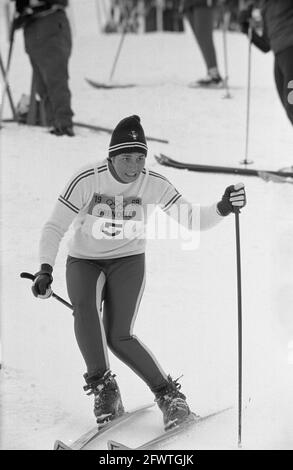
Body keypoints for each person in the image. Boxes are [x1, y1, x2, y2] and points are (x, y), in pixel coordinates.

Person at [31, 115, 246, 430]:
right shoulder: (88, 179)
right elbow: (54, 226)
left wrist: (223, 207)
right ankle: (104, 389)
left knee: (119, 336)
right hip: (84, 260)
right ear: (112, 156)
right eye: (126, 157)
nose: (134, 165)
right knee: (86, 313)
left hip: (128, 260)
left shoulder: (153, 182)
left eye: (140, 157)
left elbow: (192, 219)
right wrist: (45, 269)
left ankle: (170, 397)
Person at [11, 0, 74, 136]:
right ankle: (53, 123)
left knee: (55, 79)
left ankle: (63, 124)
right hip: (33, 27)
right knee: (42, 85)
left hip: (50, 22)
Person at [238, 0, 293, 128]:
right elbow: (266, 45)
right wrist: (246, 28)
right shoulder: (266, 6)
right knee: (289, 110)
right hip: (280, 59)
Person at [182, 0, 224, 88]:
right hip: (189, 3)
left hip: (204, 2)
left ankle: (214, 75)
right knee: (200, 36)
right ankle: (212, 72)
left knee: (203, 34)